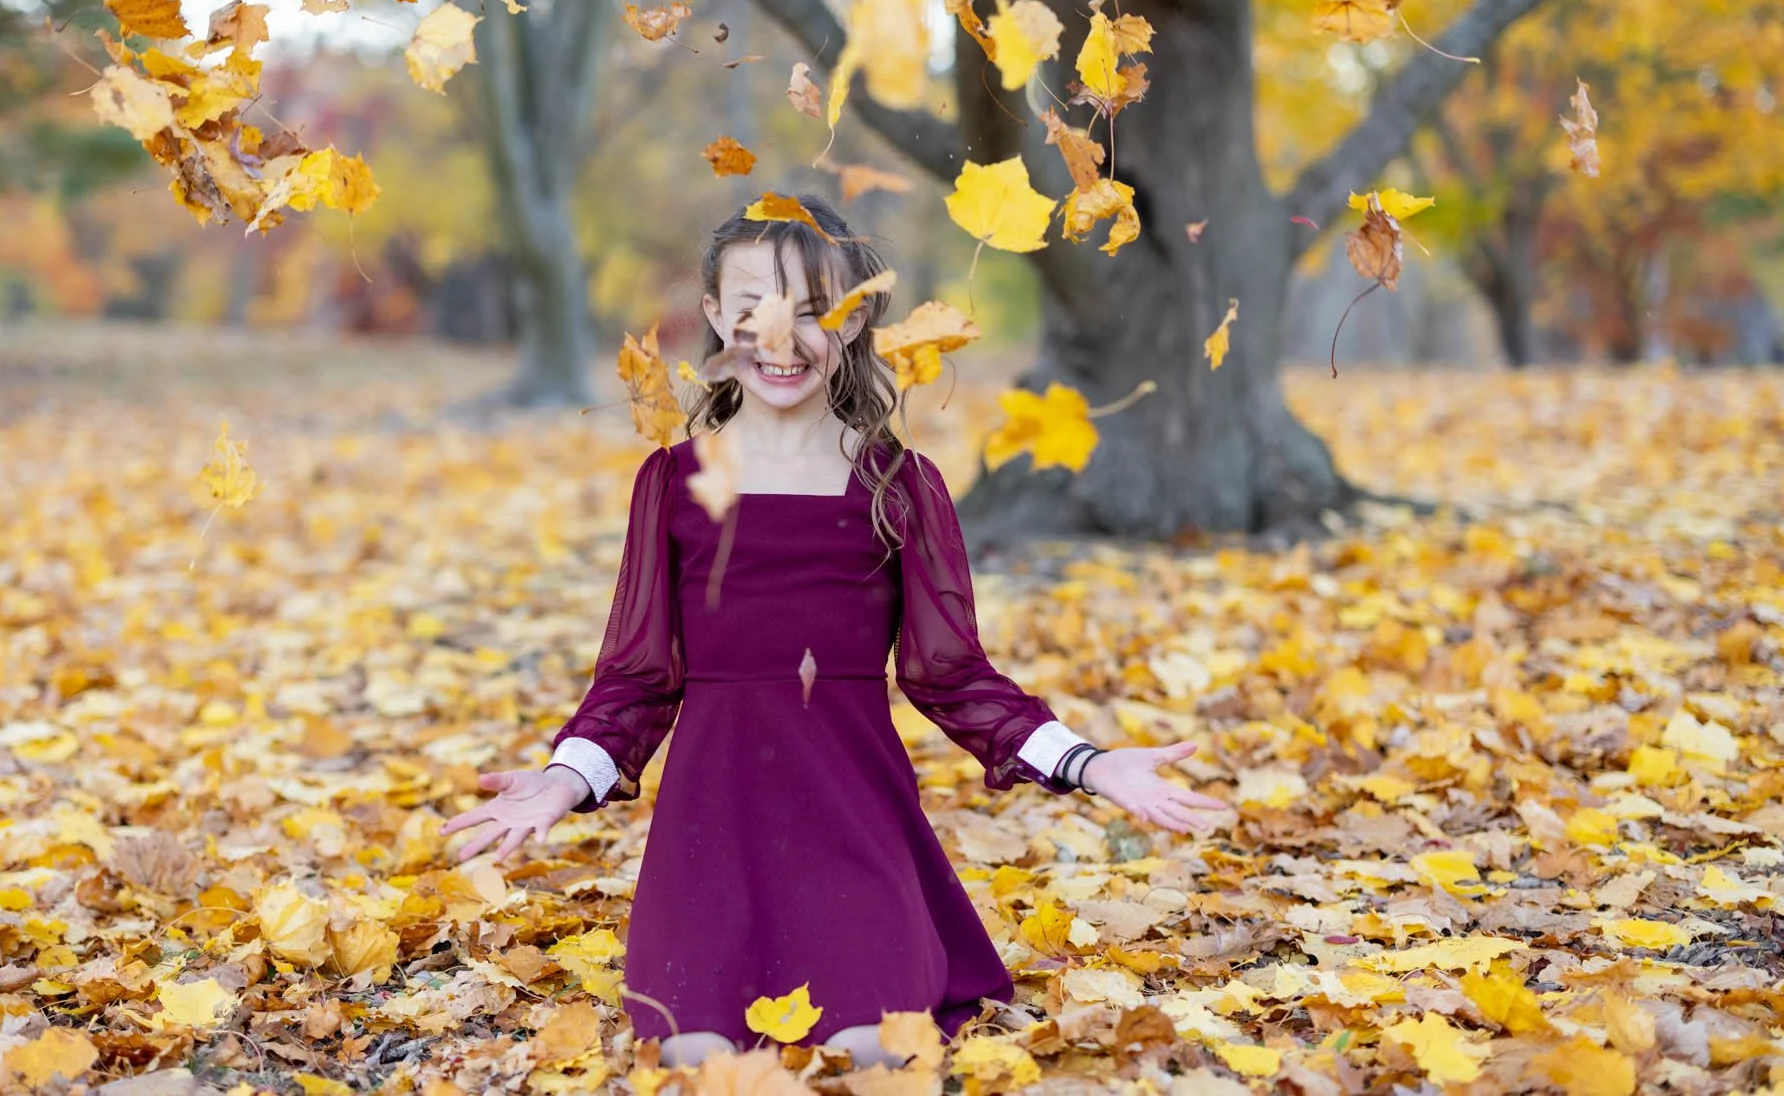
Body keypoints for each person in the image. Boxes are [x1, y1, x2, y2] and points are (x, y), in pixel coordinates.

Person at [441, 195, 1228, 1071]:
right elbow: (636, 681)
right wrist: (561, 780)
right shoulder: (672, 483)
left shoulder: (899, 483)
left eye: (815, 311)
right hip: (715, 827)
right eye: (753, 310)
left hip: (853, 823)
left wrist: (1090, 763)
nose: (782, 337)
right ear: (714, 318)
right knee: (698, 1054)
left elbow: (951, 674)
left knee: (870, 1049)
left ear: (856, 323)